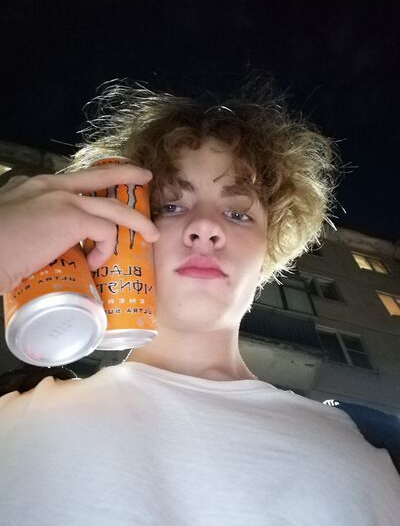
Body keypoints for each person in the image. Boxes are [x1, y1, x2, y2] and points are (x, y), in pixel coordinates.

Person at [0, 77, 399, 525]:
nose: (205, 227)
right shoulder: (13, 422)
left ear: (267, 251)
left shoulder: (371, 454)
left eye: (237, 213)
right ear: (120, 230)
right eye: (170, 206)